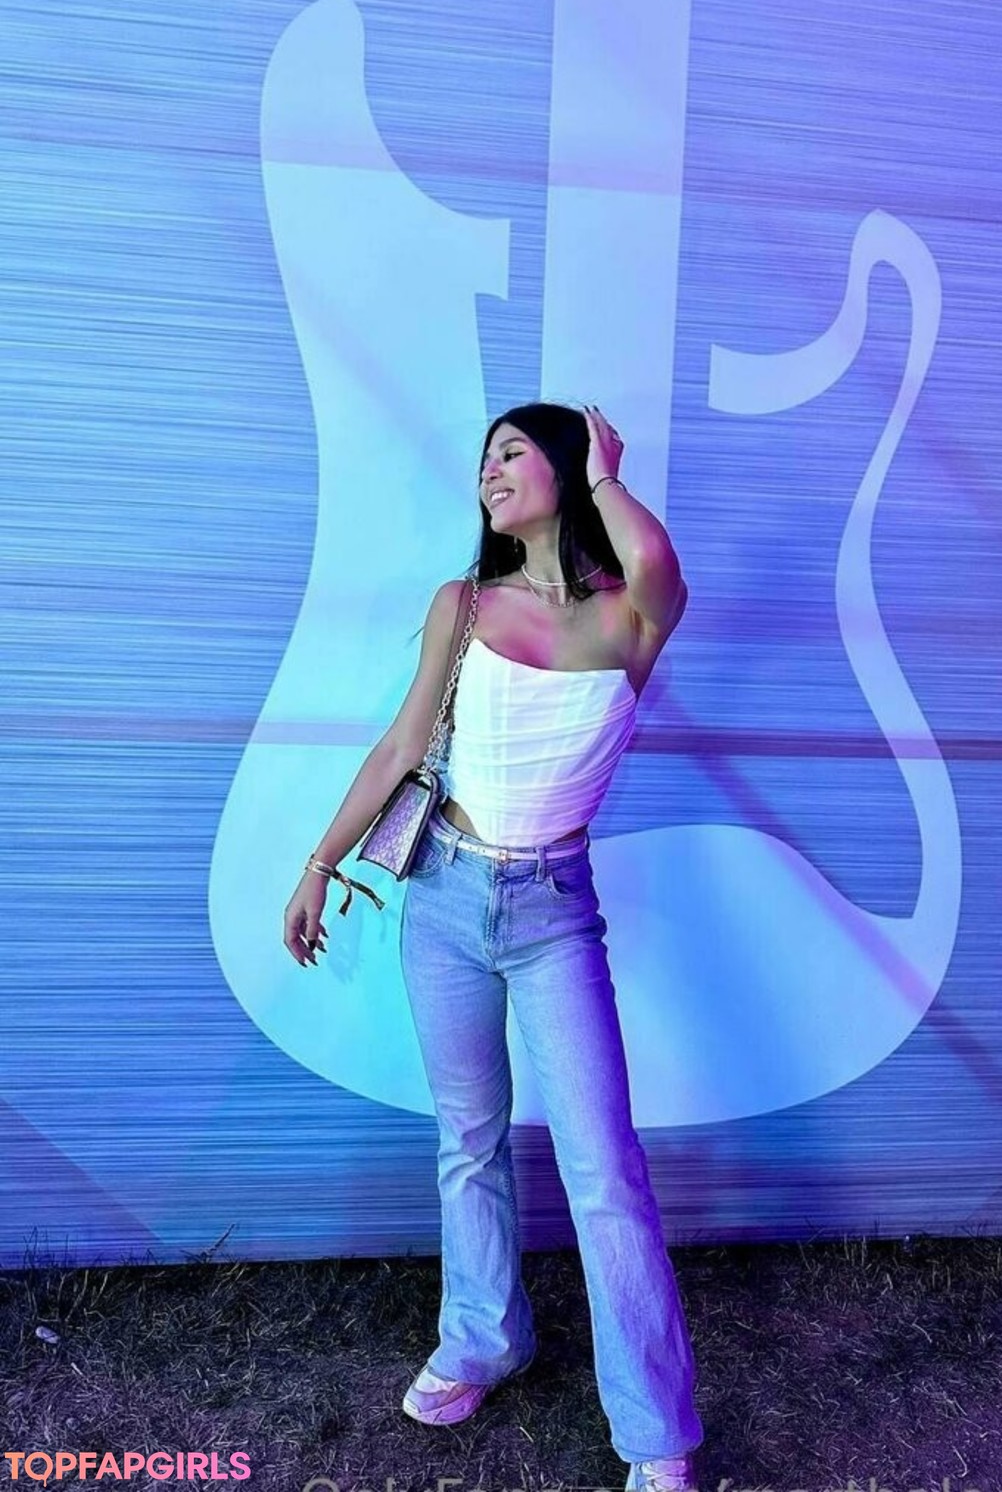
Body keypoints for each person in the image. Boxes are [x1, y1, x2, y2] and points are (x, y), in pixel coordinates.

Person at [283, 402, 703, 1492]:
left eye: (514, 451)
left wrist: (607, 474)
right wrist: (321, 862)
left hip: (555, 911)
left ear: (568, 466)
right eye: (483, 458)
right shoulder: (463, 604)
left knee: (604, 1170)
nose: (490, 470)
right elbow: (401, 744)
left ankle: (657, 1435)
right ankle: (482, 1337)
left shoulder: (631, 618)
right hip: (444, 895)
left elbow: (657, 562)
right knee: (468, 1137)